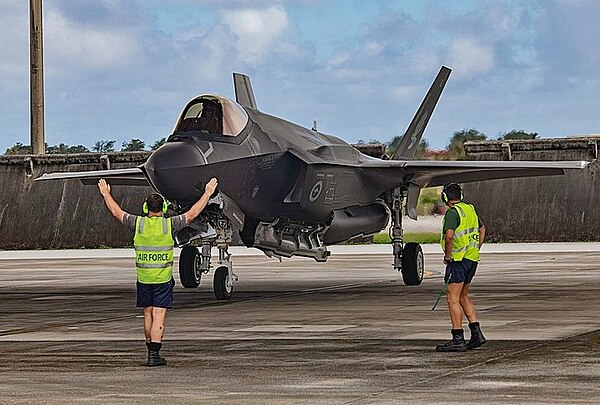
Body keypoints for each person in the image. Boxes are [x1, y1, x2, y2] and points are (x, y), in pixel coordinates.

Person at [98, 177, 218, 366]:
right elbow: (193, 213)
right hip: (162, 279)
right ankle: (154, 355)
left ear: (146, 209)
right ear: (162, 210)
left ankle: (149, 351)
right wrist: (208, 193)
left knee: (148, 314)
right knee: (159, 315)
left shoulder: (138, 223)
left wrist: (106, 194)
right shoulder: (169, 225)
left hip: (144, 279)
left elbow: (116, 212)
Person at [436, 182, 487, 352]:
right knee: (464, 296)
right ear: (461, 195)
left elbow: (449, 236)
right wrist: (476, 247)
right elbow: (482, 228)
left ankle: (457, 338)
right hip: (471, 259)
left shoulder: (453, 213)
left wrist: (448, 256)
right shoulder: (470, 209)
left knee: (452, 298)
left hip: (457, 261)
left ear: (445, 198)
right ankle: (476, 333)